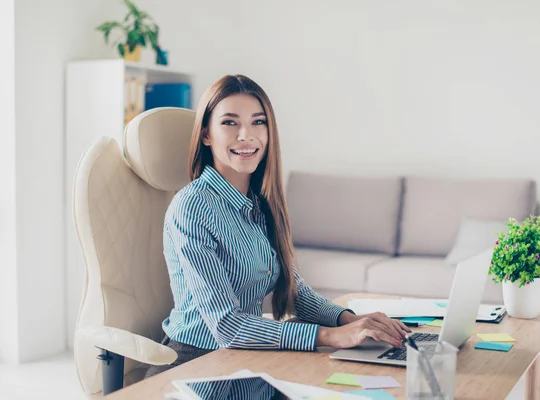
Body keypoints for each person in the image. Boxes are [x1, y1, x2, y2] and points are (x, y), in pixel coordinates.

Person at [145, 75, 410, 378]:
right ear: (206, 134)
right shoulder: (192, 207)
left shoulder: (259, 205)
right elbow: (226, 326)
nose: (247, 135)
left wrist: (350, 321)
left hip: (244, 358)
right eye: (230, 123)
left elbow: (295, 292)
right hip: (196, 364)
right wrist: (327, 336)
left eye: (258, 122)